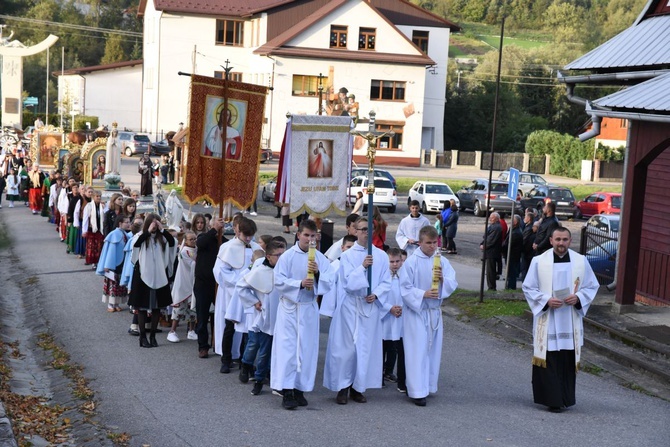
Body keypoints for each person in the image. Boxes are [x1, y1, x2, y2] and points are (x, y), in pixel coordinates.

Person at [522, 227, 599, 412]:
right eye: (558, 239)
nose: (561, 243)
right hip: (548, 318)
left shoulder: (581, 261)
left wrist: (579, 297)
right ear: (551, 241)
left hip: (569, 318)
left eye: (565, 239)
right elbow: (528, 287)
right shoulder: (539, 261)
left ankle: (565, 397)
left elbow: (591, 286)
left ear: (570, 241)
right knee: (550, 358)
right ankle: (552, 400)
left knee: (565, 359)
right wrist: (546, 300)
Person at [323, 217, 391, 404]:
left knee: (364, 348)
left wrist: (376, 294)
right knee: (346, 349)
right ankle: (342, 387)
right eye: (362, 229)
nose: (365, 233)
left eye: (369, 229)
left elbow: (387, 281)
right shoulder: (348, 255)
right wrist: (362, 267)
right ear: (355, 231)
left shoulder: (381, 256)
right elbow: (348, 283)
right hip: (350, 306)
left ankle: (358, 387)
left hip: (369, 307)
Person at [271, 219, 332, 410]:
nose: (310, 239)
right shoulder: (287, 256)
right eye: (306, 235)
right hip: (290, 308)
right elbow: (278, 280)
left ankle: (300, 389)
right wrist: (298, 283)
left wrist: (318, 274)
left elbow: (330, 281)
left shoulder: (320, 259)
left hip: (308, 308)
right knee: (288, 350)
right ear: (298, 235)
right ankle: (287, 390)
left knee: (306, 349)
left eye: (313, 236)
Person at [399, 226, 457, 406]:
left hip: (433, 313)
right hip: (417, 312)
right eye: (428, 243)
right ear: (420, 242)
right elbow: (405, 288)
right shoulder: (411, 262)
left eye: (435, 242)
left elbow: (452, 282)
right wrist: (422, 294)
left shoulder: (442, 261)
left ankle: (427, 385)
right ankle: (416, 391)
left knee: (432, 351)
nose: (432, 246)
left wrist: (442, 281)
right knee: (417, 352)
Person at [237, 241, 286, 395]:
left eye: (284, 254)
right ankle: (258, 379)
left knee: (283, 351)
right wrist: (254, 302)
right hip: (268, 317)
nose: (282, 258)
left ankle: (280, 380)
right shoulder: (260, 271)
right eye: (279, 255)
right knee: (264, 350)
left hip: (286, 316)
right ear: (269, 256)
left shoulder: (286, 270)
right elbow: (241, 287)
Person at [214, 217, 261, 373]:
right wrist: (240, 282)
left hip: (250, 293)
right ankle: (226, 359)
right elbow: (221, 271)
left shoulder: (256, 247)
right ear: (238, 231)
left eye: (250, 235)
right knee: (230, 326)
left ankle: (244, 359)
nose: (248, 239)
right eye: (245, 235)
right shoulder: (228, 247)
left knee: (248, 328)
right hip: (232, 293)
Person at [128, 213, 177, 348]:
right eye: (152, 224)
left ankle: (153, 336)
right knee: (142, 307)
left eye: (157, 224)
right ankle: (143, 337)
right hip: (143, 275)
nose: (154, 226)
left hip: (159, 275)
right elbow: (136, 247)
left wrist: (163, 230)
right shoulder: (141, 237)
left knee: (157, 307)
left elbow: (173, 243)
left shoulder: (163, 239)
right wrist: (147, 232)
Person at [193, 216, 225, 358]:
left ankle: (218, 343)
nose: (219, 229)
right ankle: (203, 346)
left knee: (219, 315)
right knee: (202, 316)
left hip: (218, 284)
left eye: (221, 227)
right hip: (203, 284)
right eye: (217, 227)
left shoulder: (224, 243)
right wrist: (213, 230)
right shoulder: (203, 238)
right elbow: (200, 243)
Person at [167, 230, 198, 343]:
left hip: (192, 283)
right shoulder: (184, 251)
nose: (194, 241)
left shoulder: (196, 249)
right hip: (183, 282)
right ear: (186, 240)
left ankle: (191, 331)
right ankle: (172, 331)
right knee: (179, 308)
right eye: (191, 239)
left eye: (195, 239)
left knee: (192, 308)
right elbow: (192, 264)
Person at [96, 214, 132, 312]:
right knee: (112, 284)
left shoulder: (124, 234)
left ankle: (116, 303)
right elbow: (110, 252)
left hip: (121, 263)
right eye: (127, 222)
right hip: (113, 264)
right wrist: (107, 265)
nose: (129, 224)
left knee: (119, 284)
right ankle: (111, 304)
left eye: (129, 222)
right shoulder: (114, 234)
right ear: (120, 223)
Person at [382, 247, 405, 392]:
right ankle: (378, 375)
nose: (395, 264)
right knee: (383, 345)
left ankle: (390, 371)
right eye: (392, 261)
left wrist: (400, 308)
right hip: (385, 316)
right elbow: (378, 295)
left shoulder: (405, 276)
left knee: (396, 347)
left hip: (400, 315)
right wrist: (389, 308)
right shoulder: (383, 275)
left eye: (398, 261)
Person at [82, 189, 105, 268]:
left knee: (99, 246)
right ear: (93, 197)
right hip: (92, 229)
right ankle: (93, 262)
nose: (98, 198)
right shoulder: (89, 206)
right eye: (97, 196)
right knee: (92, 246)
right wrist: (84, 230)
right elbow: (85, 219)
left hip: (100, 229)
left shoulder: (102, 206)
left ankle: (99, 262)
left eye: (100, 196)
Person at [480, 212, 503, 291]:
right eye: (490, 217)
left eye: (492, 217)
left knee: (491, 271)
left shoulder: (496, 227)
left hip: (492, 252)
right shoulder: (494, 226)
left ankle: (492, 287)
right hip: (490, 251)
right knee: (489, 270)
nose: (490, 219)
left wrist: (484, 245)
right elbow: (486, 236)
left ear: (496, 218)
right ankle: (491, 286)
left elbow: (491, 240)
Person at [502, 215, 523, 290]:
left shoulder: (516, 232)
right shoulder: (513, 229)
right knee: (510, 271)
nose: (510, 221)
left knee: (512, 272)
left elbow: (509, 244)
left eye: (512, 220)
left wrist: (502, 247)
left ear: (516, 222)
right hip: (510, 254)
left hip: (513, 255)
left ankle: (511, 287)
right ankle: (509, 286)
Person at [521, 212, 536, 280]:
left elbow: (525, 239)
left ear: (529, 218)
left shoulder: (529, 228)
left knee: (525, 268)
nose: (524, 219)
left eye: (525, 217)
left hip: (527, 252)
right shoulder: (528, 227)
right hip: (527, 252)